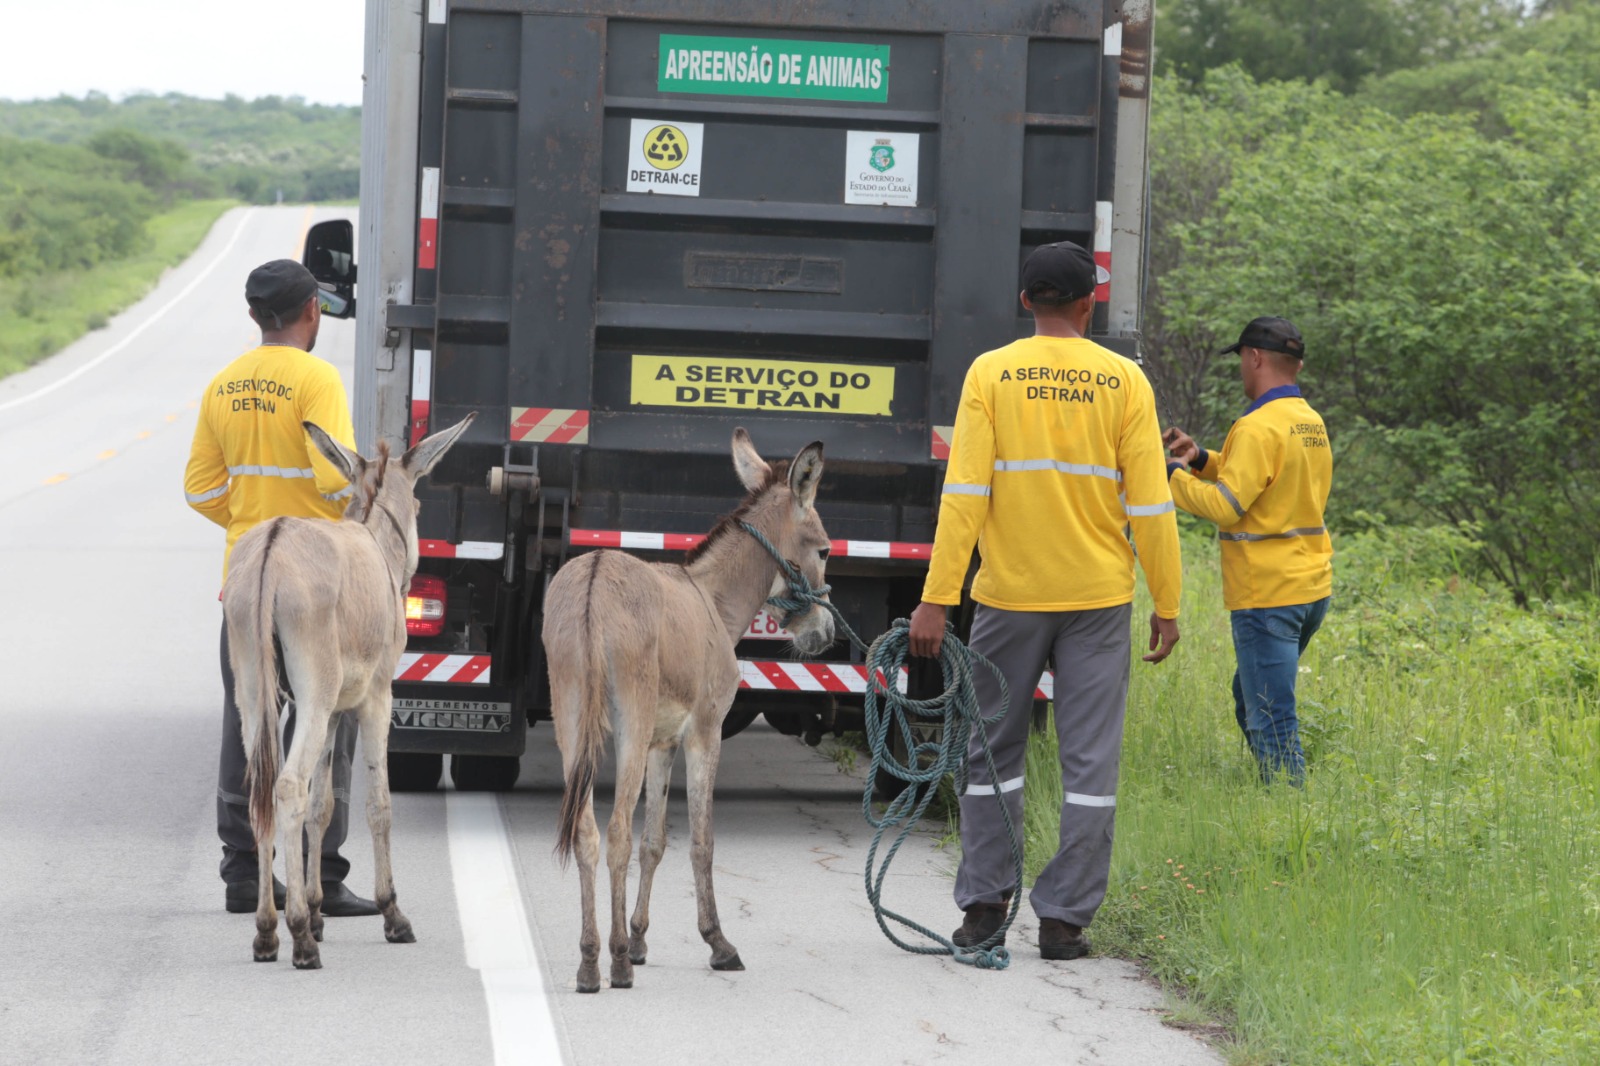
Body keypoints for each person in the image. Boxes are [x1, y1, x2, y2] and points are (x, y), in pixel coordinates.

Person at [909, 241, 1183, 960]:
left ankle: (984, 910)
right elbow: (1151, 505)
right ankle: (1064, 922)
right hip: (1098, 600)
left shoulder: (990, 374)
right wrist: (1168, 601)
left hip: (1010, 598)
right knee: (1090, 762)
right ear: (1089, 305)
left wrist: (937, 598)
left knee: (992, 754)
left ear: (1026, 301)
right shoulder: (1125, 382)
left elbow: (964, 496)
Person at [183, 259, 378, 917]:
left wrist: (248, 526)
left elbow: (200, 488)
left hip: (245, 577)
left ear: (253, 317)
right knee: (329, 717)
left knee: (246, 721)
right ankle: (322, 868)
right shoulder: (317, 378)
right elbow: (332, 479)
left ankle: (243, 872)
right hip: (315, 580)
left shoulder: (223, 384)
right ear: (313, 313)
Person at [1163, 316, 1332, 786]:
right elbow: (1265, 482)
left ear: (1254, 357)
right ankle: (1273, 788)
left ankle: (1286, 812)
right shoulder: (1309, 422)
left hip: (1268, 594)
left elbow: (1227, 506)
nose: (1241, 368)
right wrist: (1198, 460)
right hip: (1309, 589)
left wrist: (1171, 477)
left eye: (1241, 358)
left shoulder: (1256, 426)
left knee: (1270, 716)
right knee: (1251, 695)